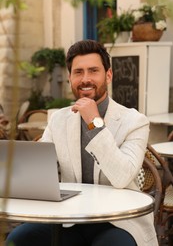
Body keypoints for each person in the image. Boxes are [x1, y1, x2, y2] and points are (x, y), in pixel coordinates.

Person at [6, 40, 158, 246]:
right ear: (70, 78)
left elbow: (122, 177)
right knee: (18, 238)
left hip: (118, 221)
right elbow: (40, 171)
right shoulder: (58, 120)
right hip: (69, 219)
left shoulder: (134, 121)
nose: (85, 79)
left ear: (108, 75)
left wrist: (94, 123)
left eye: (93, 70)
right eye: (78, 72)